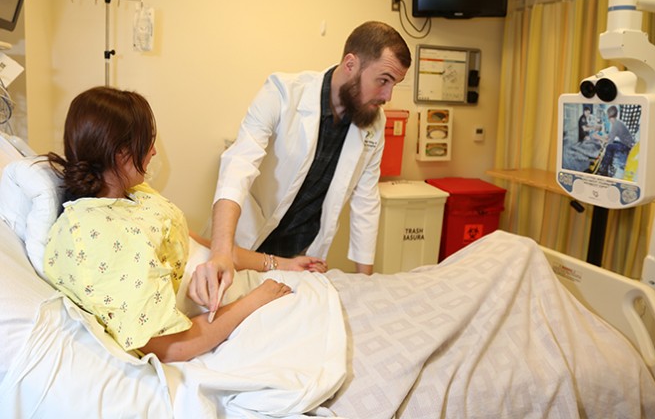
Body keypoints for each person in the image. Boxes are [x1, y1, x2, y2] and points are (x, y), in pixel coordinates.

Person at [42, 86, 326, 363]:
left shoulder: (133, 194)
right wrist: (255, 301)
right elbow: (169, 348)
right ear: (121, 154)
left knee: (318, 297)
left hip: (232, 287)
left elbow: (205, 246)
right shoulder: (95, 235)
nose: (153, 151)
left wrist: (280, 263)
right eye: (146, 142)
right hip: (220, 314)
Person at [189, 21, 411, 311]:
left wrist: (363, 282)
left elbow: (366, 200)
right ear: (350, 64)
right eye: (383, 80)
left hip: (298, 259)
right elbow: (239, 163)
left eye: (395, 84)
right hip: (245, 243)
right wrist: (221, 252)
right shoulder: (283, 92)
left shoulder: (373, 123)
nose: (387, 96)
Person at [595, 105, 635, 177]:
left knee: (609, 147)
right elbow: (609, 136)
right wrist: (602, 137)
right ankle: (608, 166)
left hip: (628, 147)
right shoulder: (617, 123)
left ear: (608, 115)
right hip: (628, 144)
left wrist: (598, 137)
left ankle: (603, 169)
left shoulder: (616, 125)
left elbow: (609, 141)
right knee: (614, 144)